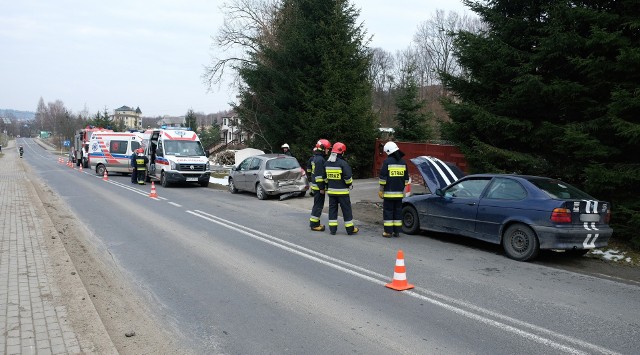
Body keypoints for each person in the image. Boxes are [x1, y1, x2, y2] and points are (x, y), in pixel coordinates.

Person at [325, 142, 358, 235]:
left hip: (331, 192)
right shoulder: (343, 163)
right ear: (342, 152)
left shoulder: (327, 163)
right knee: (346, 210)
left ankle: (332, 230)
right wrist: (349, 184)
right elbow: (347, 178)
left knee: (332, 210)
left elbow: (325, 178)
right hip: (342, 193)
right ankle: (350, 229)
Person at [378, 141, 409, 238]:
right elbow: (406, 179)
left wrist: (381, 190)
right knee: (397, 212)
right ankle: (397, 231)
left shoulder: (387, 162)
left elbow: (383, 178)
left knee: (388, 212)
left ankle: (388, 232)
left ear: (388, 151)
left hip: (388, 194)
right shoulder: (403, 162)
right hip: (399, 194)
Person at [308, 139, 332, 231]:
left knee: (317, 205)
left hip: (316, 186)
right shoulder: (320, 160)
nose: (328, 151)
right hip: (318, 187)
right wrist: (322, 187)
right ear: (322, 148)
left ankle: (315, 223)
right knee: (318, 205)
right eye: (327, 149)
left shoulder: (316, 158)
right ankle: (314, 225)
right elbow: (319, 176)